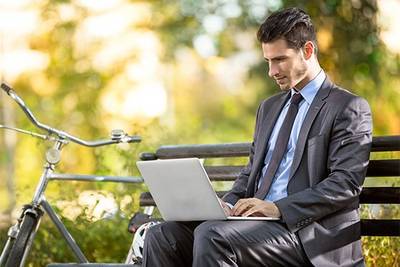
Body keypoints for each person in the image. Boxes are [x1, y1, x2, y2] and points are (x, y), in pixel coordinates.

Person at [142, 7, 372, 267]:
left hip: (309, 237)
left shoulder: (347, 107)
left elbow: (345, 183)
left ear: (308, 51)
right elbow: (251, 174)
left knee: (213, 236)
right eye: (268, 61)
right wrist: (225, 205)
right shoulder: (270, 108)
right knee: (162, 235)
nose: (272, 71)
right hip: (254, 228)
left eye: (280, 60)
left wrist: (279, 208)